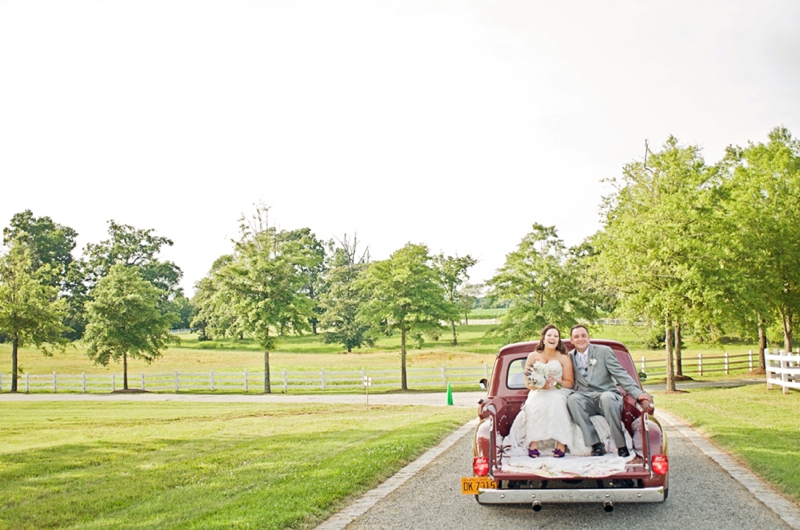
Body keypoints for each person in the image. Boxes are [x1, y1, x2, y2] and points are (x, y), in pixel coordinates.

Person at [566, 325, 654, 457]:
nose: (580, 339)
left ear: (589, 337)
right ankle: (595, 444)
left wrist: (638, 394)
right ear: (571, 340)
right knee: (573, 399)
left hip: (608, 395)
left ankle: (621, 445)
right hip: (586, 398)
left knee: (606, 397)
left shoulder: (603, 351)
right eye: (576, 337)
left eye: (583, 335)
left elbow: (620, 374)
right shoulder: (569, 357)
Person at [522, 324, 575, 458]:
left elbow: (569, 383)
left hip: (559, 390)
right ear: (543, 339)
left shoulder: (564, 357)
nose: (552, 338)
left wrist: (555, 383)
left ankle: (561, 442)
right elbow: (528, 383)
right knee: (535, 401)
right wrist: (541, 386)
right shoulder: (533, 356)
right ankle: (534, 443)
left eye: (556, 336)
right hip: (539, 390)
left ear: (559, 340)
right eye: (549, 335)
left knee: (556, 400)